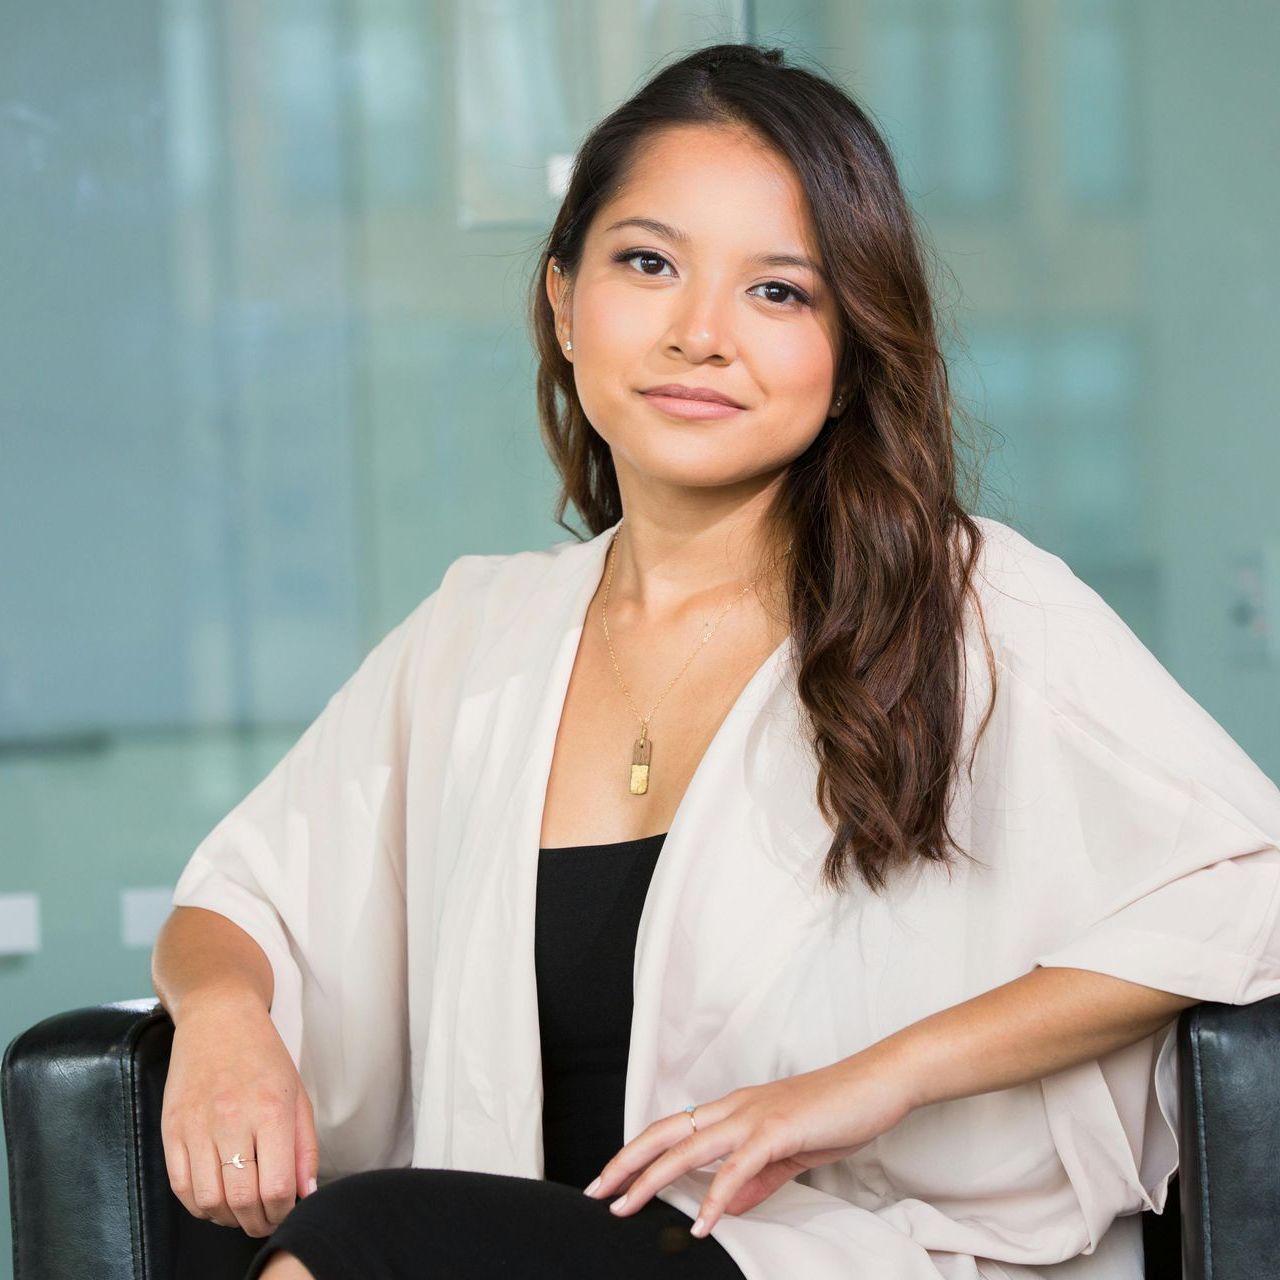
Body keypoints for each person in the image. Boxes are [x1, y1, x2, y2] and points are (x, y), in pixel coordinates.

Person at [150, 41, 1280, 1280]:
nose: (700, 334)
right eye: (648, 263)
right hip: (515, 1245)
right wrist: (220, 1016)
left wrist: (867, 1083)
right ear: (562, 300)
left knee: (361, 1239)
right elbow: (245, 894)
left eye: (778, 292)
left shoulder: (971, 604)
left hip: (834, 1258)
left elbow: (1246, 881)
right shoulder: (475, 634)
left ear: (851, 349)